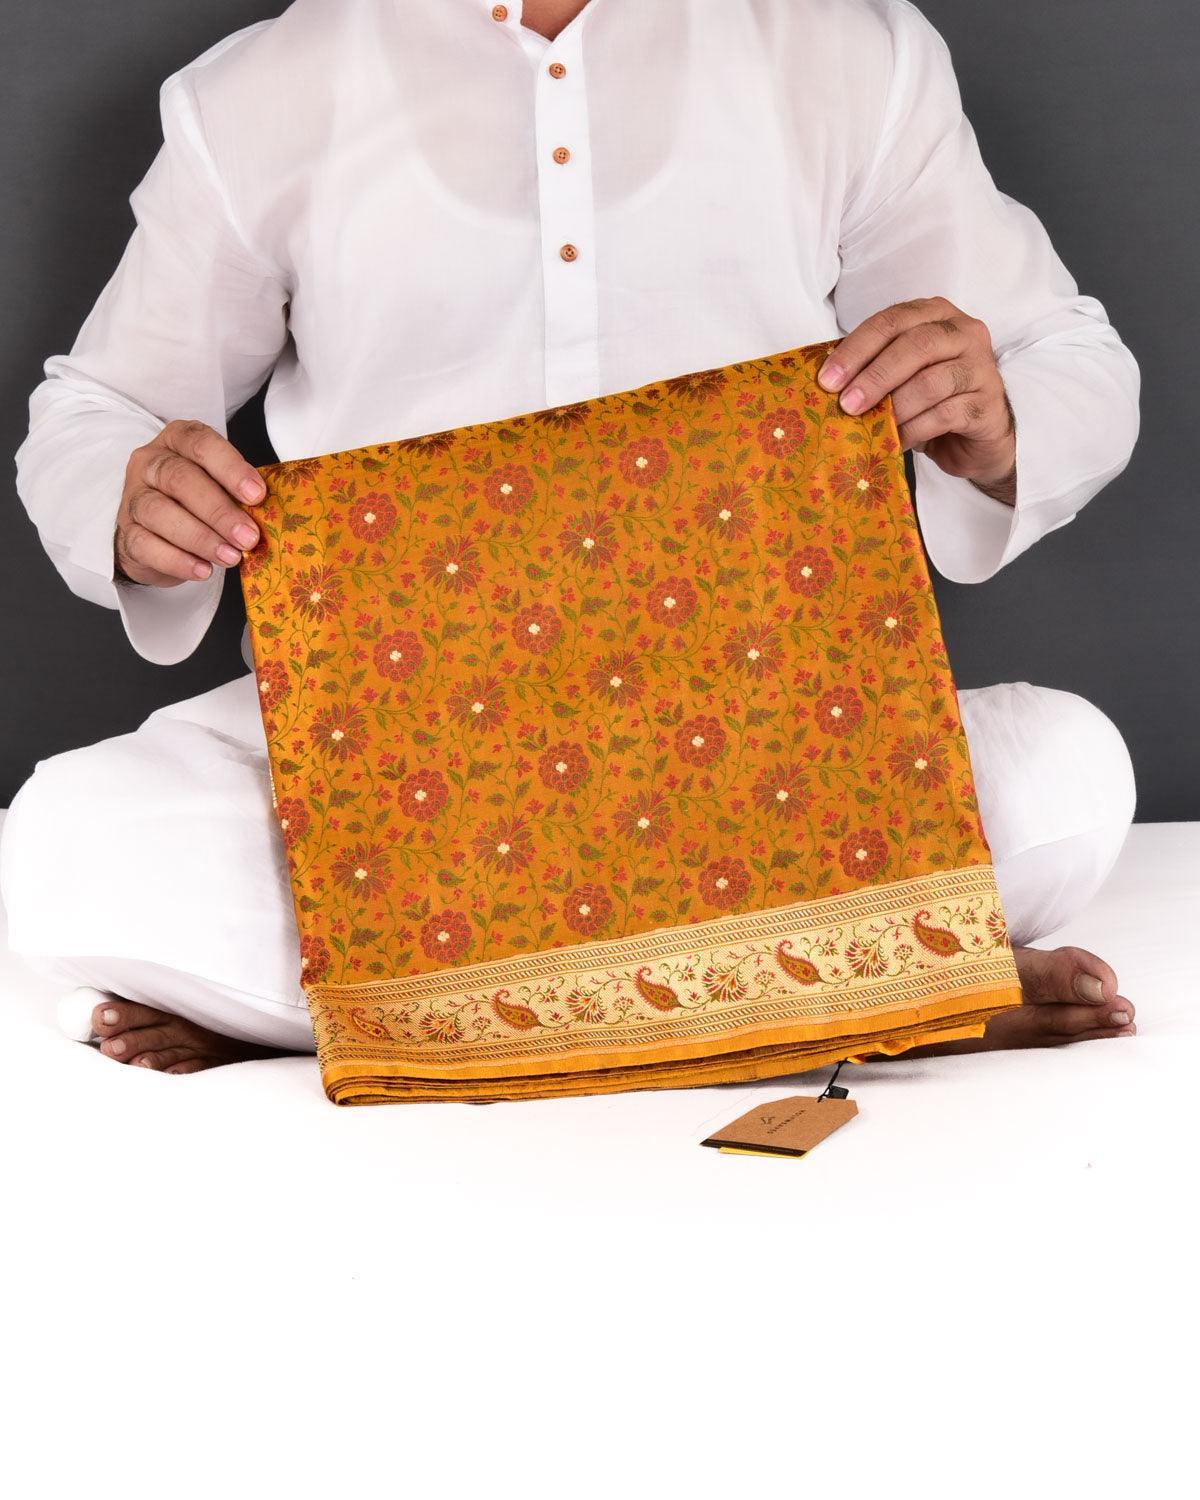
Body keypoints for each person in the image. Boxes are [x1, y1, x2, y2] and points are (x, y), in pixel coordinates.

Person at [3, 0, 1140, 1074]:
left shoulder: (847, 50)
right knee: (61, 843)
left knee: (1071, 774)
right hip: (400, 762)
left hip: (778, 742)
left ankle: (397, 1014)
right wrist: (131, 498)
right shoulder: (259, 93)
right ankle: (863, 988)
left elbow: (1067, 357)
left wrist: (996, 421)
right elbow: (96, 408)